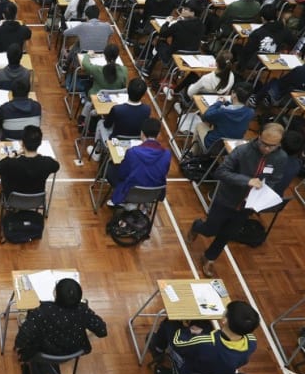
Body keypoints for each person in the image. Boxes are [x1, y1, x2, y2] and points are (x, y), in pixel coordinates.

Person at [188, 123, 287, 276]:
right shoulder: (242, 151)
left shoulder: (281, 158)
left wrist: (265, 192)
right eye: (264, 144)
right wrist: (246, 181)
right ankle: (197, 226)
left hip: (248, 205)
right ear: (259, 136)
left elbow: (275, 178)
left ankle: (209, 258)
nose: (267, 149)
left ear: (279, 144)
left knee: (228, 234)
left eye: (272, 146)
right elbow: (221, 172)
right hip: (226, 199)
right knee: (210, 230)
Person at [14, 278, 107, 374]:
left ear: (56, 295)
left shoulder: (41, 313)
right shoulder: (83, 311)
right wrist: (86, 332)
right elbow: (102, 331)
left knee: (22, 322)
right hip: (72, 351)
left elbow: (20, 341)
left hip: (43, 351)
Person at [154, 299, 260, 374]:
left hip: (191, 373)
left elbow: (178, 343)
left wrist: (187, 330)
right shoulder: (252, 342)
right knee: (206, 325)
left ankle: (157, 348)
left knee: (170, 323)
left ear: (224, 320)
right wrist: (203, 334)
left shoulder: (204, 342)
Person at [108, 117, 170, 207]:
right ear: (159, 134)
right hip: (153, 193)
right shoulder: (167, 154)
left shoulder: (133, 152)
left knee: (111, 168)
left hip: (131, 192)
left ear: (141, 133)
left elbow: (122, 174)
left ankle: (123, 201)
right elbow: (163, 173)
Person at [249, 42, 305, 109]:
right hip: (303, 98)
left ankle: (256, 99)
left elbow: (283, 82)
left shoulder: (300, 69)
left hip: (287, 95)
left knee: (274, 81)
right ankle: (267, 99)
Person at [0, 125, 59, 197]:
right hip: (36, 200)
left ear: (22, 143)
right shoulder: (47, 163)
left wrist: (15, 154)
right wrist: (41, 157)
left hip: (13, 199)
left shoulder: (12, 163)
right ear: (40, 143)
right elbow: (56, 165)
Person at [194, 83, 255, 154]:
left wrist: (218, 103)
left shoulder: (223, 112)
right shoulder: (251, 112)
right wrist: (227, 104)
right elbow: (237, 112)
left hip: (213, 145)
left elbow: (206, 115)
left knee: (200, 125)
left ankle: (193, 154)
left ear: (234, 94)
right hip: (232, 146)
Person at [234, 4, 294, 71]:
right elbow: (293, 42)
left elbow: (247, 52)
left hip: (254, 63)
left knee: (236, 47)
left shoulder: (257, 33)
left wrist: (240, 65)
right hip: (272, 62)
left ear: (262, 18)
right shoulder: (285, 31)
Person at [95, 77, 151, 148]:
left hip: (117, 140)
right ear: (143, 95)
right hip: (135, 140)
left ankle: (97, 151)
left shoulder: (117, 109)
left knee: (100, 122)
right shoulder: (147, 109)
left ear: (127, 90)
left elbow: (107, 125)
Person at [0, 78, 41, 142]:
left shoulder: (5, 108)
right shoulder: (37, 107)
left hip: (8, 140)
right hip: (30, 141)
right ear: (28, 92)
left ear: (12, 93)